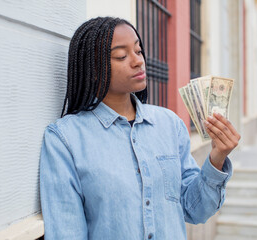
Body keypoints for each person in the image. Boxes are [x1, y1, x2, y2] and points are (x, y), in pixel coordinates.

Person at [40, 16, 240, 240]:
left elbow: (195, 210)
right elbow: (67, 233)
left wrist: (217, 158)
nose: (138, 61)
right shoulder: (65, 139)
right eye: (121, 56)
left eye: (138, 50)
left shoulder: (170, 124)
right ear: (94, 69)